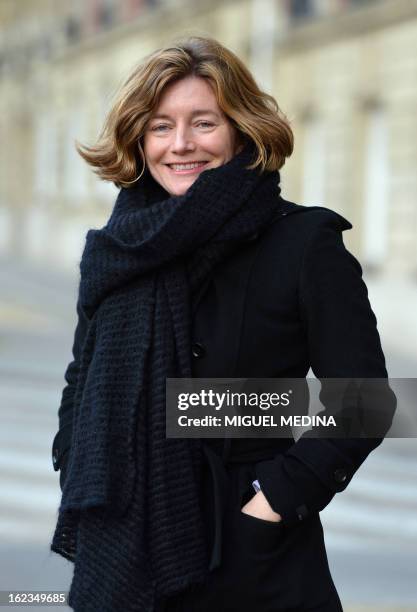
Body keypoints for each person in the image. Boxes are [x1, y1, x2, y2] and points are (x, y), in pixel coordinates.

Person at [50, 36, 396, 612]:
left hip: (256, 567)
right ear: (139, 140)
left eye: (203, 123)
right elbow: (82, 379)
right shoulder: (121, 249)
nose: (180, 144)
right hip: (123, 547)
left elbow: (365, 402)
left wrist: (273, 503)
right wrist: (75, 461)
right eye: (160, 127)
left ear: (241, 128)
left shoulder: (303, 243)